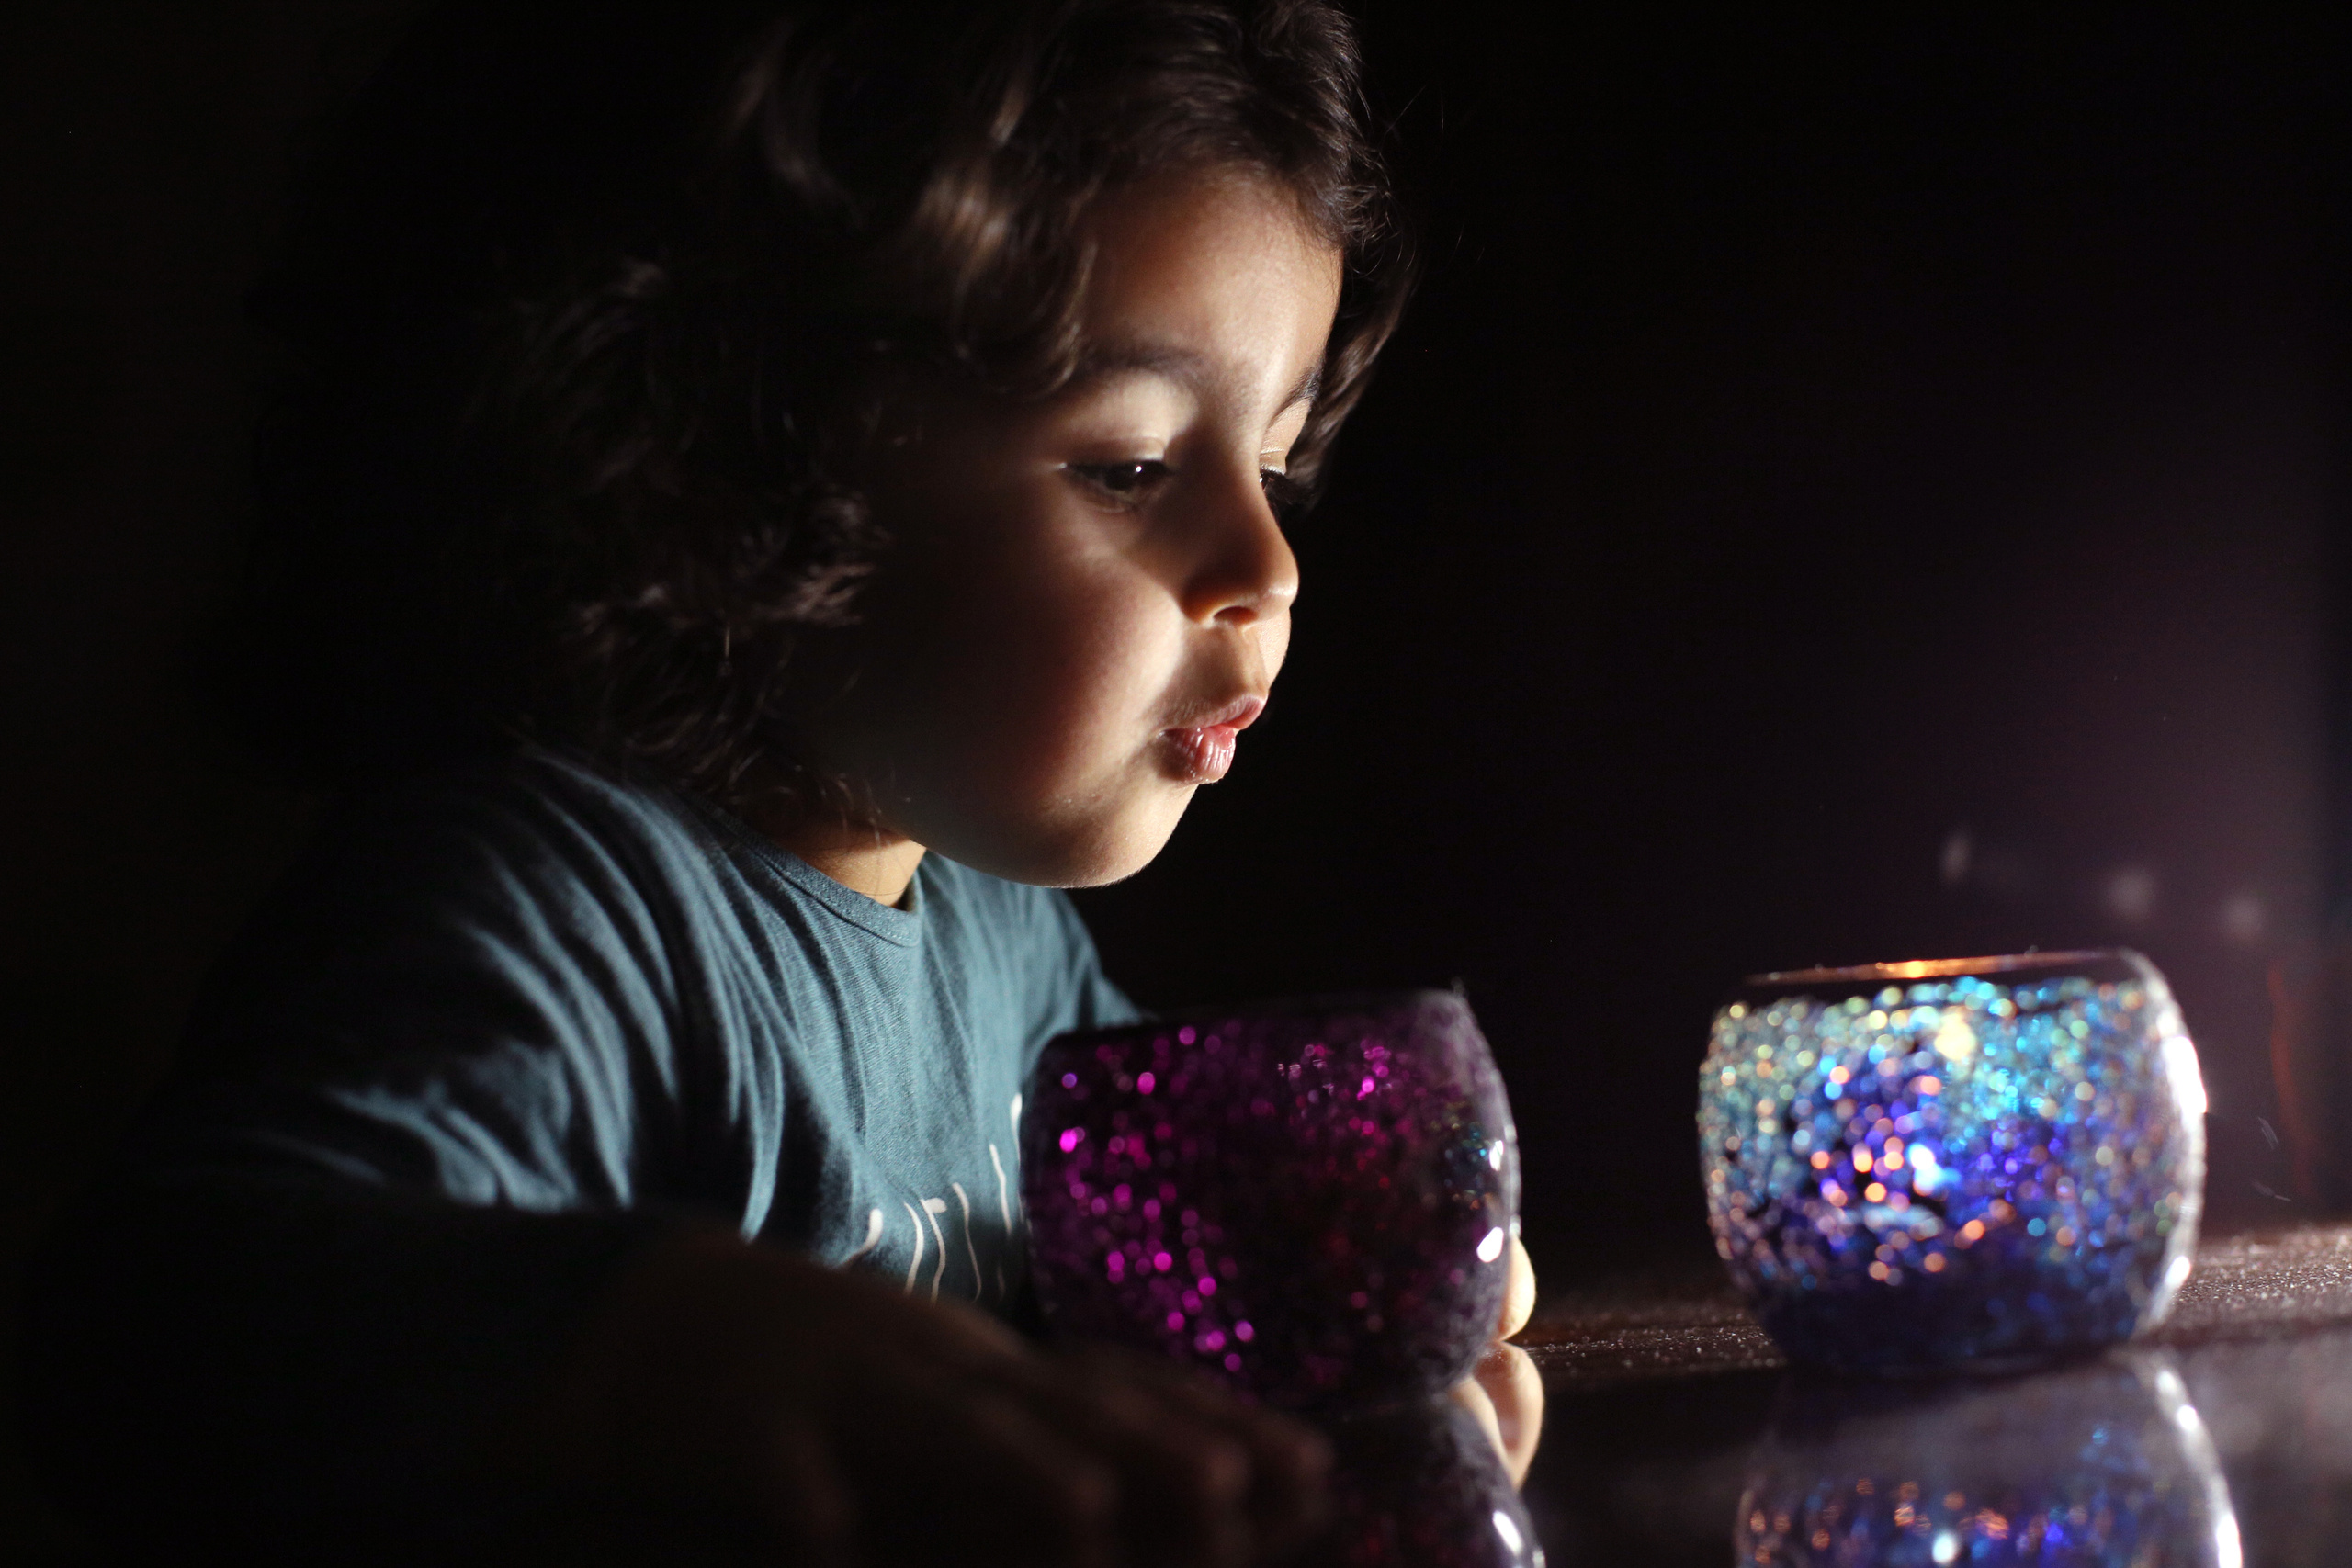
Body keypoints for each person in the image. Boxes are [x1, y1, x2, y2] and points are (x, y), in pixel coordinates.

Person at [20, 2, 1538, 1561]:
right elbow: (145, 1319)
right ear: (725, 463)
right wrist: (655, 1343)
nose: (1266, 565)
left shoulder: (1000, 944)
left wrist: (1343, 1311)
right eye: (1132, 466)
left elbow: (1158, 1289)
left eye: (1274, 467)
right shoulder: (555, 912)